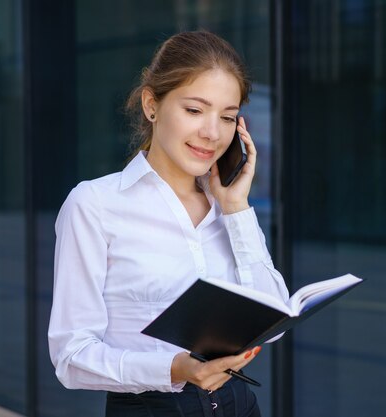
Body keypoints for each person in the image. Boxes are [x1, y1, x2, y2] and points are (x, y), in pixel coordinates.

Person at [48, 30, 289, 417]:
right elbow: (71, 356)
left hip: (239, 408)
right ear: (151, 105)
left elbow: (274, 321)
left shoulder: (228, 207)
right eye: (194, 110)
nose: (212, 133)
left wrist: (237, 209)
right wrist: (173, 368)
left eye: (227, 117)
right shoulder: (95, 205)